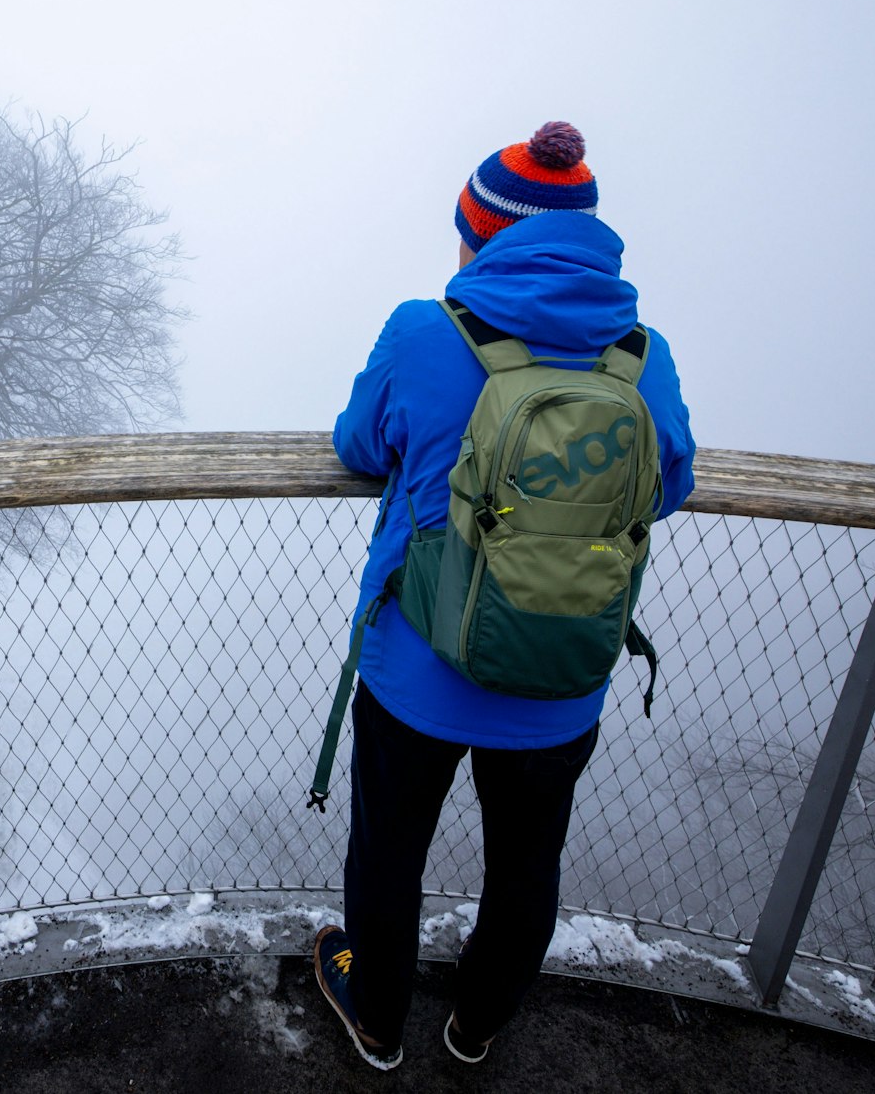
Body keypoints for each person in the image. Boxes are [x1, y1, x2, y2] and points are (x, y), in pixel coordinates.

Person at [312, 122, 696, 1069]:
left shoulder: (423, 331)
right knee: (526, 865)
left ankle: (374, 1011)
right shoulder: (642, 357)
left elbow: (356, 443)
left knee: (388, 856)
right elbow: (671, 480)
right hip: (563, 672)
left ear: (481, 234)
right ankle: (476, 1025)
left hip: (419, 670)